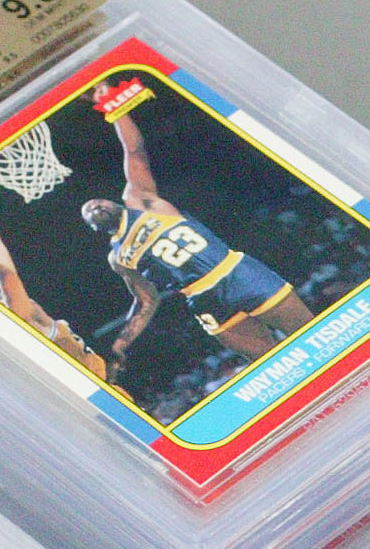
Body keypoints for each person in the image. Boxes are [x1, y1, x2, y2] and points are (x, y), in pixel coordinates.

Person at [78, 105, 309, 363]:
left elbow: (134, 150)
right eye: (89, 212)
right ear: (95, 229)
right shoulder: (118, 257)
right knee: (273, 362)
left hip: (235, 272)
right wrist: (122, 341)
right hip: (203, 299)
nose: (95, 206)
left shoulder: (141, 201)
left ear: (115, 202)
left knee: (309, 334)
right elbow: (145, 300)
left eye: (98, 201)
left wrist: (115, 107)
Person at [0, 202, 112, 380]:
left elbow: (8, 279)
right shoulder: (34, 327)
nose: (25, 299)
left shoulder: (46, 330)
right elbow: (6, 276)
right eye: (10, 300)